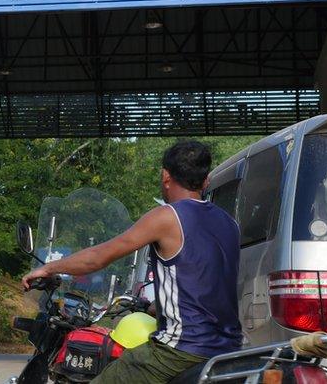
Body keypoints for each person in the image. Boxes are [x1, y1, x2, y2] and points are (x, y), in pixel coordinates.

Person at [22, 140, 242, 384]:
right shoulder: (229, 224)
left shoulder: (167, 217)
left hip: (180, 351)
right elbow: (206, 286)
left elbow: (97, 257)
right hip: (228, 350)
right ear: (206, 180)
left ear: (165, 176)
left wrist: (48, 267)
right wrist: (157, 308)